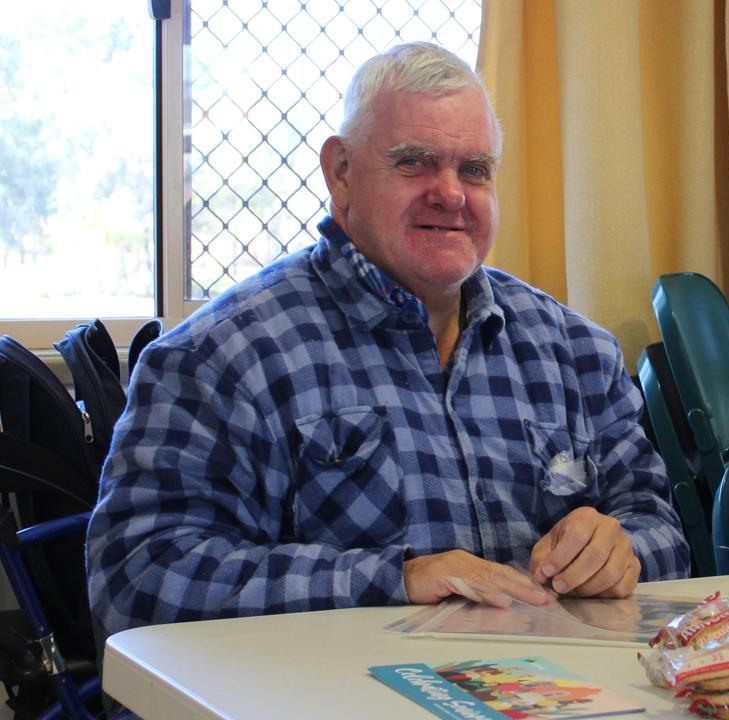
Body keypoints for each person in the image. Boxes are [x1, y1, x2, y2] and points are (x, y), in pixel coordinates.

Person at [87, 42, 690, 637]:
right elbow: (137, 576)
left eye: (474, 170)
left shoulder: (577, 353)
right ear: (341, 173)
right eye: (414, 162)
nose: (451, 195)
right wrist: (392, 580)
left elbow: (663, 532)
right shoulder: (223, 357)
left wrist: (623, 550)